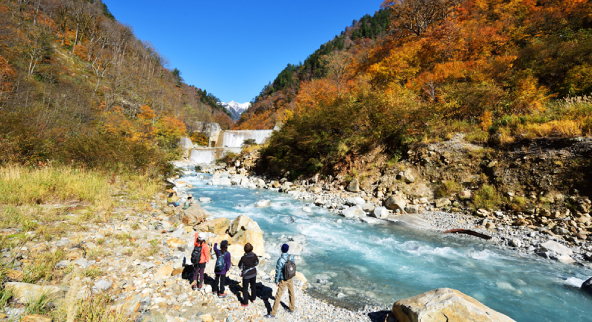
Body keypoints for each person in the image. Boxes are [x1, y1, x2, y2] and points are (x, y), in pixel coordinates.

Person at [265, 244, 295, 318]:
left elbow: (278, 271)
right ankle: (291, 308)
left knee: (278, 295)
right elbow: (293, 265)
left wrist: (276, 281)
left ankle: (273, 313)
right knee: (291, 292)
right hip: (290, 277)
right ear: (287, 250)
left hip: (283, 279)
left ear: (281, 250)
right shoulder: (291, 256)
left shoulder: (280, 260)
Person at [238, 243, 259, 307]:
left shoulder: (243, 258)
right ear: (252, 249)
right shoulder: (254, 255)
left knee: (245, 288)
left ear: (244, 250)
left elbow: (240, 267)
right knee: (253, 286)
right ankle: (253, 298)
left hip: (246, 275)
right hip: (253, 273)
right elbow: (257, 263)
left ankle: (246, 303)